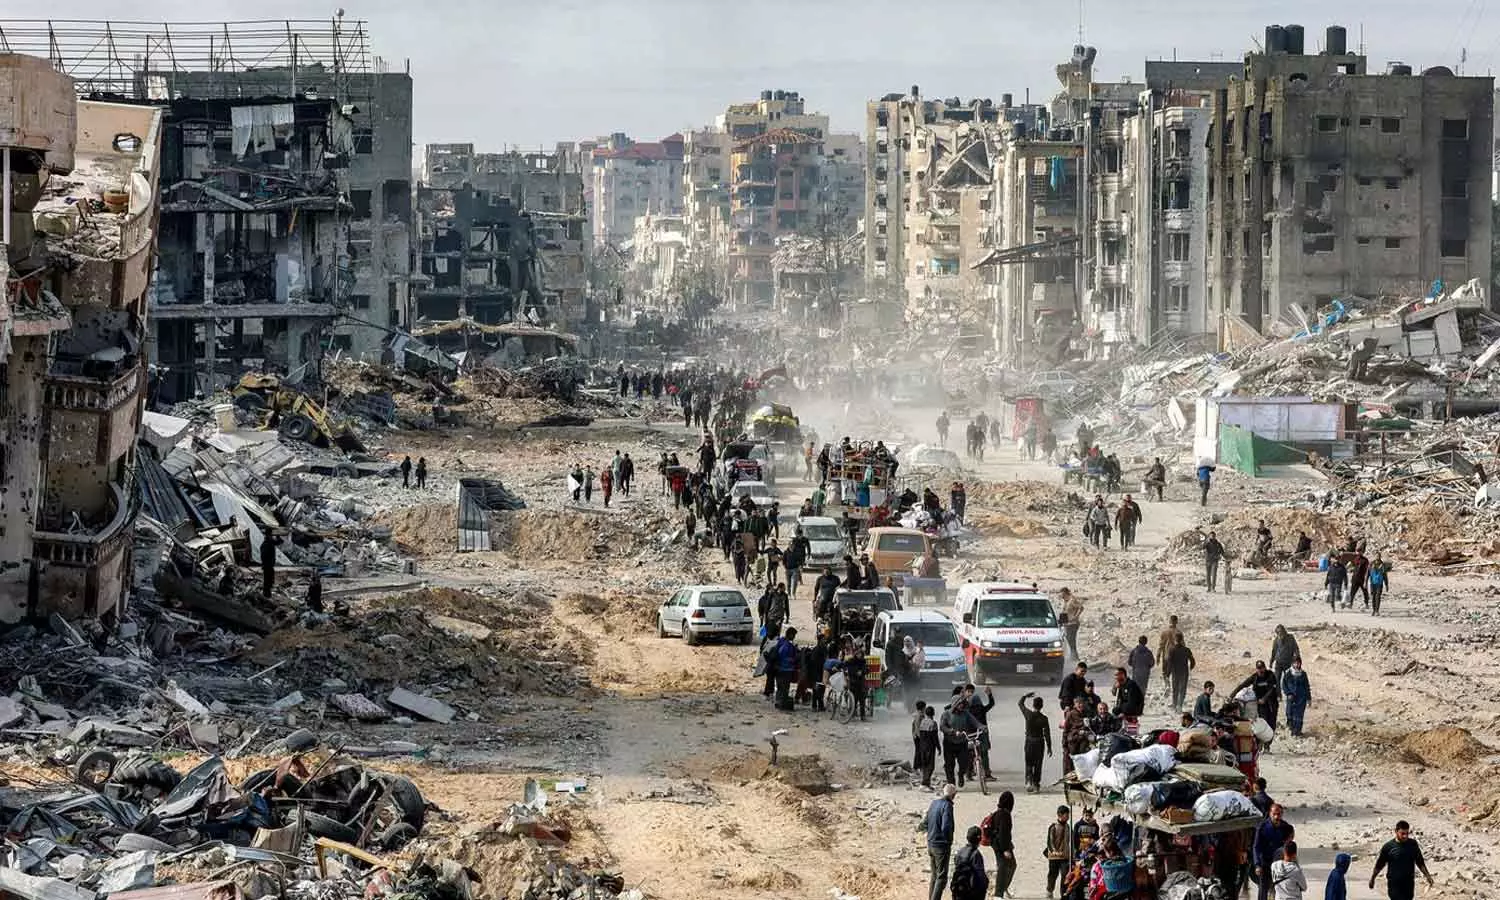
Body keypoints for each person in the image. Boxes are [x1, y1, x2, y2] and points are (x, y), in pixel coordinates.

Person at [1369, 820, 1434, 900]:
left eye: (1407, 833)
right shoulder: (1388, 847)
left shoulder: (1413, 844)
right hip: (1394, 884)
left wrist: (1428, 876)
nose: (1405, 836)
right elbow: (1379, 865)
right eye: (1402, 833)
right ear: (1396, 831)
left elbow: (1420, 862)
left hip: (1409, 883)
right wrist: (1373, 878)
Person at [921, 784, 958, 900]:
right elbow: (946, 826)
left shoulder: (934, 803)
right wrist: (948, 841)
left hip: (931, 843)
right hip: (941, 846)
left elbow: (925, 822)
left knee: (934, 875)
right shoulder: (947, 806)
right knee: (941, 877)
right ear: (953, 795)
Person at [1253, 804, 1295, 900]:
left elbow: (1289, 847)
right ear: (1270, 813)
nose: (1276, 817)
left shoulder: (1286, 827)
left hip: (1280, 864)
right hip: (1265, 863)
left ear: (1282, 814)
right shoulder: (1262, 827)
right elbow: (1256, 847)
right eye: (1274, 814)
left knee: (1281, 890)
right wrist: (1257, 865)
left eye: (1279, 814)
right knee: (1263, 890)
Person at [940, 696, 980, 787]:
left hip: (962, 742)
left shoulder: (966, 714)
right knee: (949, 765)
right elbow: (942, 727)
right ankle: (951, 783)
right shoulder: (946, 714)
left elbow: (975, 722)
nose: (961, 706)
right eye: (959, 704)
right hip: (949, 743)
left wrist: (982, 727)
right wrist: (952, 732)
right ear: (954, 704)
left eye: (962, 704)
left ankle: (961, 774)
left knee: (964, 763)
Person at [981, 792, 1015, 898]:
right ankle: (999, 893)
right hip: (1001, 845)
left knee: (1008, 865)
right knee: (1004, 866)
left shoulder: (998, 812)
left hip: (996, 843)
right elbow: (1003, 833)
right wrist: (1005, 849)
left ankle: (1002, 890)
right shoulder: (1005, 815)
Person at [1018, 692, 1052, 793]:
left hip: (1029, 741)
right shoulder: (1044, 718)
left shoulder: (1028, 714)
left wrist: (1025, 696)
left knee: (1029, 762)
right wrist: (1049, 747)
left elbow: (1020, 704)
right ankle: (1036, 784)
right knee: (1038, 764)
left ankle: (1029, 781)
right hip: (1039, 743)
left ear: (1033, 705)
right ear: (1042, 706)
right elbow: (1047, 734)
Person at [1235, 660, 1280, 734]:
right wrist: (1232, 695)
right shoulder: (1255, 677)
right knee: (1264, 721)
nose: (1260, 670)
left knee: (1272, 722)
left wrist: (1264, 698)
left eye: (1262, 668)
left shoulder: (1270, 675)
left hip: (1271, 702)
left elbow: (1272, 689)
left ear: (1264, 668)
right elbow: (1243, 685)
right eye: (1259, 668)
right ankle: (1265, 738)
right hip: (1261, 704)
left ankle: (1270, 736)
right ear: (1257, 669)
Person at [951, 824, 989, 900]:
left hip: (958, 888)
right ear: (979, 839)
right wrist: (986, 883)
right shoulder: (976, 854)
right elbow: (980, 874)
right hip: (970, 891)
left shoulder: (961, 851)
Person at [1044, 805, 1071, 898]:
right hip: (1054, 857)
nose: (1068, 817)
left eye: (1068, 815)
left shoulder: (1068, 827)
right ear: (1060, 815)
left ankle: (1063, 894)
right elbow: (1050, 842)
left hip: (1065, 856)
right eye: (1066, 815)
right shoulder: (1053, 827)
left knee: (1065, 875)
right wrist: (1054, 851)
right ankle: (1049, 889)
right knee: (1053, 875)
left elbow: (1070, 841)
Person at [1280, 658, 1312, 737]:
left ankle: (1297, 732)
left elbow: (1306, 686)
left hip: (1301, 698)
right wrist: (1288, 693)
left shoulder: (1303, 674)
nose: (1297, 665)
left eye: (1298, 663)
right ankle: (1291, 729)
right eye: (1295, 663)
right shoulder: (1288, 673)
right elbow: (1284, 685)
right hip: (1291, 697)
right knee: (1289, 713)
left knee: (1299, 715)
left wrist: (1309, 698)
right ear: (1292, 664)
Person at [771, 626, 799, 711]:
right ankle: (782, 704)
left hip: (778, 669)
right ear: (790, 634)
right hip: (785, 669)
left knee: (780, 686)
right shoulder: (787, 645)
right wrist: (793, 659)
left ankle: (778, 702)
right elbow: (784, 656)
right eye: (794, 635)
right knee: (785, 687)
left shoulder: (781, 641)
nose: (794, 637)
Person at [1167, 635, 1196, 712]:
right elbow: (1193, 661)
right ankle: (1180, 705)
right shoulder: (1186, 650)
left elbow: (1169, 663)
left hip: (1175, 673)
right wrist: (1190, 668)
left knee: (1175, 689)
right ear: (1182, 640)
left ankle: (1174, 705)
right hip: (1184, 672)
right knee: (1182, 689)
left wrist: (1168, 673)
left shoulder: (1171, 650)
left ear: (1175, 640)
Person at [916, 705, 941, 787]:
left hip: (922, 746)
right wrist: (939, 747)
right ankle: (925, 782)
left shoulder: (922, 722)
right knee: (930, 766)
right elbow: (935, 737)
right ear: (933, 713)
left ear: (926, 713)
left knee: (924, 765)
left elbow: (920, 736)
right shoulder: (933, 723)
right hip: (930, 747)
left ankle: (926, 781)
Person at [1060, 589, 1083, 659]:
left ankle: (1075, 657)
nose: (1061, 595)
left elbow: (1081, 608)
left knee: (1071, 640)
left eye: (1062, 594)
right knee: (1069, 640)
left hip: (1073, 624)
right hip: (1067, 624)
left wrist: (1075, 617)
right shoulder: (1065, 601)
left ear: (1065, 593)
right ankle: (1073, 656)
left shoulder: (1072, 600)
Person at [260, 533, 278, 599]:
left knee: (269, 580)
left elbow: (279, 542)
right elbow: (263, 556)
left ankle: (267, 594)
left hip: (269, 565)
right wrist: (265, 563)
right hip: (268, 565)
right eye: (271, 536)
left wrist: (278, 537)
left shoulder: (269, 543)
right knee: (267, 581)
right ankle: (266, 594)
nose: (272, 537)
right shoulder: (266, 544)